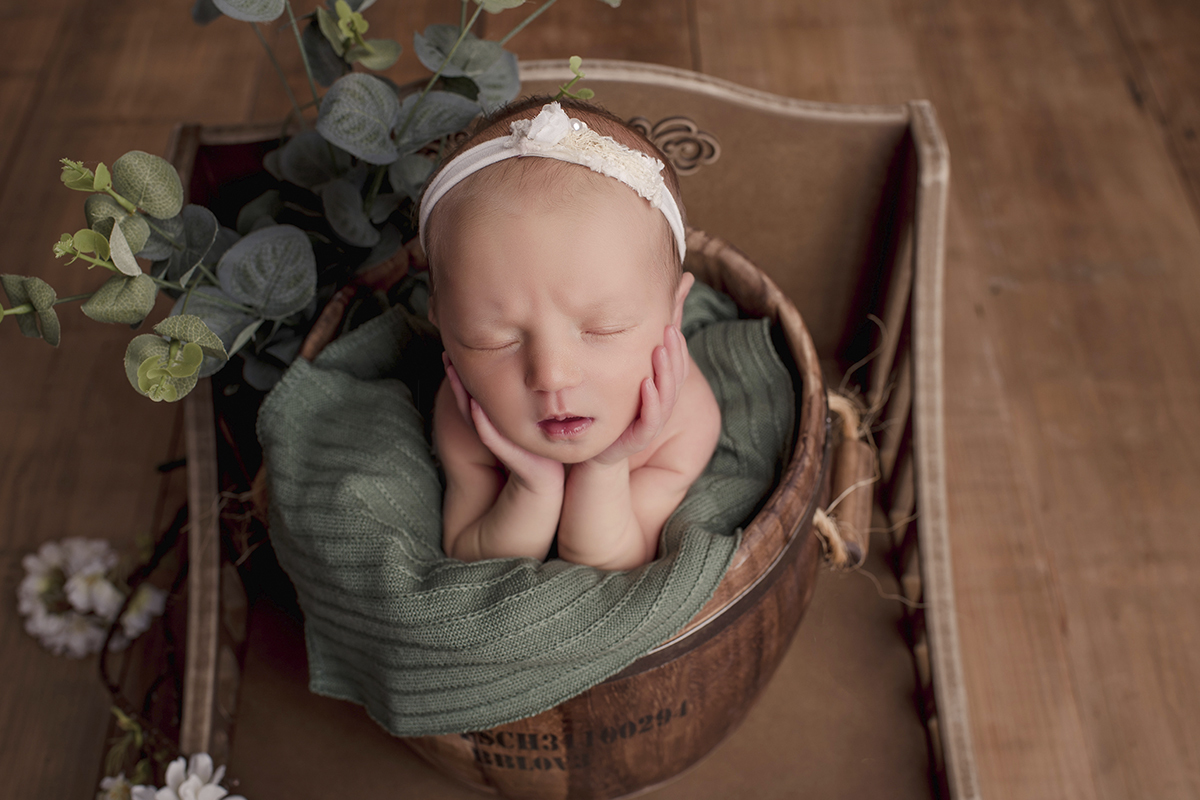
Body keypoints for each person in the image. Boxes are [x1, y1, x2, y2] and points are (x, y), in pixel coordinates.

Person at [420, 97, 721, 570]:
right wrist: (531, 484)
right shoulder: (468, 419)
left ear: (674, 313)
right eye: (493, 339)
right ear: (442, 326)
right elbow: (472, 559)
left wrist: (605, 468)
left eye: (605, 328)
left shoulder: (684, 423)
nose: (552, 375)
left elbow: (612, 565)